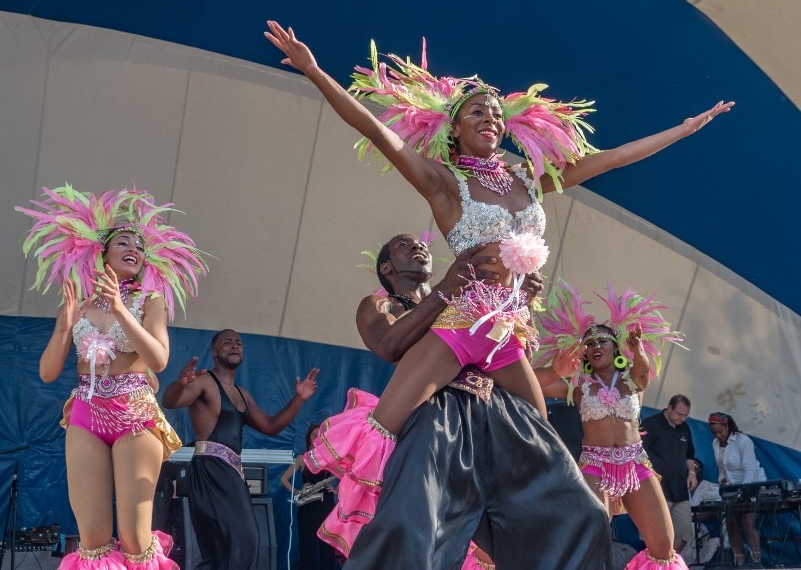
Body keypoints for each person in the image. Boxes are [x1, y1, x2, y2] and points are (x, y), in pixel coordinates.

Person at [264, 20, 733, 538]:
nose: (489, 118)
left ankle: (507, 543)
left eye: (494, 113)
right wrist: (313, 71)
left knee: (545, 448)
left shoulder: (528, 179)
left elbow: (610, 160)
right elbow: (378, 131)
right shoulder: (445, 182)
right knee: (382, 431)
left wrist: (685, 129)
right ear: (455, 128)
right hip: (459, 325)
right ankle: (374, 532)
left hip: (507, 337)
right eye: (476, 112)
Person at [333, 235, 613, 568]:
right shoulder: (379, 305)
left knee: (581, 513)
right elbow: (388, 345)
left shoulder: (468, 296)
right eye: (403, 246)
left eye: (420, 244)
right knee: (414, 532)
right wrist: (447, 290)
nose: (418, 247)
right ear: (387, 267)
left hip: (493, 417)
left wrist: (517, 302)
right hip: (432, 421)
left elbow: (504, 355)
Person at [16, 186, 208, 569]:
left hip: (134, 412)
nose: (134, 248)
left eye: (139, 246)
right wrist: (63, 328)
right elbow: (48, 372)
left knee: (136, 536)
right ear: (101, 253)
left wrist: (121, 310)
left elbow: (159, 360)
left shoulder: (150, 302)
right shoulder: (79, 304)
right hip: (86, 411)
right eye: (123, 241)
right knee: (93, 538)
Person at [537, 280, 687, 569]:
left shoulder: (633, 380)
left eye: (602, 340)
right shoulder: (579, 383)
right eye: (589, 343)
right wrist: (556, 369)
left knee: (663, 545)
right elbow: (534, 383)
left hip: (635, 464)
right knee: (591, 542)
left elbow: (643, 369)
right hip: (595, 465)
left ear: (616, 346)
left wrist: (639, 349)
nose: (595, 346)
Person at [161, 329, 319, 570]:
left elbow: (271, 426)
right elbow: (170, 401)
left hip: (232, 473)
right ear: (214, 352)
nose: (234, 346)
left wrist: (299, 399)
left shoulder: (242, 394)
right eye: (227, 342)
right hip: (210, 470)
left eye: (238, 343)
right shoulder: (204, 382)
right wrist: (179, 384)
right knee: (242, 541)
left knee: (231, 546)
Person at [709, 411, 767, 568]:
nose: (718, 436)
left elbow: (750, 469)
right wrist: (723, 481)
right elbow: (722, 469)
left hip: (752, 486)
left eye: (720, 432)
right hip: (732, 490)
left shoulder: (743, 441)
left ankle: (756, 562)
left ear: (727, 426)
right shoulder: (715, 444)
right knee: (731, 522)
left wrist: (744, 492)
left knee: (748, 522)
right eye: (714, 433)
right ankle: (739, 561)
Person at [641, 394, 697, 552]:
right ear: (670, 407)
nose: (683, 419)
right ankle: (658, 564)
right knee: (657, 536)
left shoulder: (684, 428)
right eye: (680, 414)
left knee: (685, 533)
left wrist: (692, 472)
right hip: (658, 489)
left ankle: (667, 563)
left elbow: (689, 455)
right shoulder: (651, 424)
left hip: (680, 490)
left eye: (686, 416)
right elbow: (638, 453)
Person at [279, 424, 338, 570]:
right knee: (308, 546)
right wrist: (298, 491)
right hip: (308, 506)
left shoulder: (329, 458)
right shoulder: (302, 459)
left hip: (326, 505)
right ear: (308, 439)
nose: (316, 437)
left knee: (327, 547)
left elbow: (349, 472)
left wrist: (337, 490)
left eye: (319, 434)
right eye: (313, 434)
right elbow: (283, 479)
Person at [680, 458, 723, 566]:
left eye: (696, 467)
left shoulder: (710, 487)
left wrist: (694, 518)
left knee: (690, 528)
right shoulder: (679, 489)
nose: (692, 471)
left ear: (701, 470)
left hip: (700, 528)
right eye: (688, 468)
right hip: (680, 526)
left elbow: (716, 507)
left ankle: (691, 566)